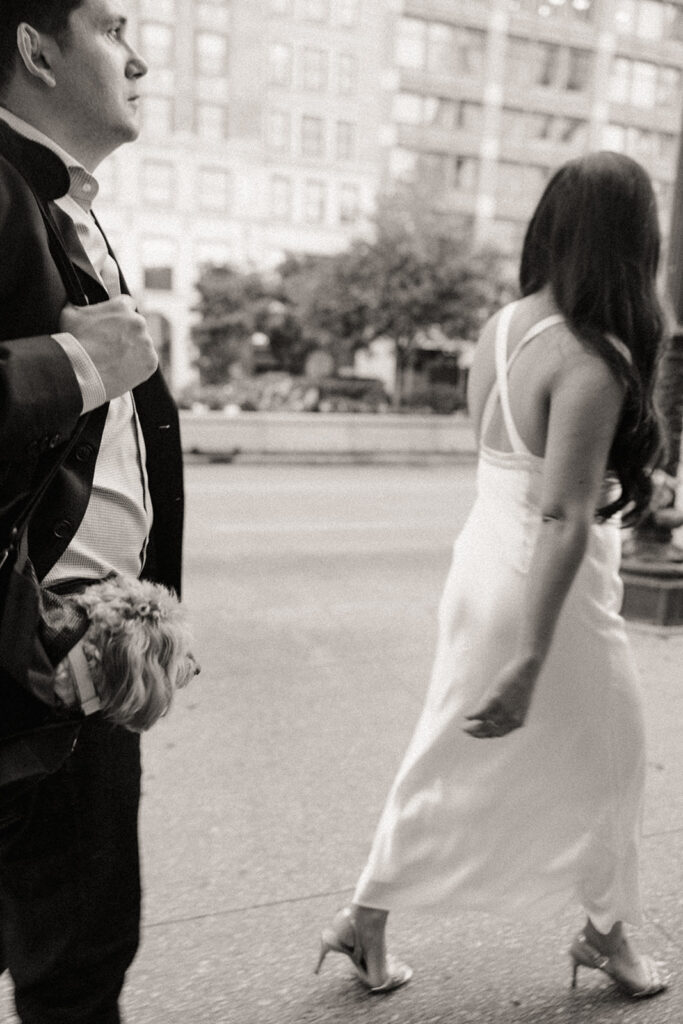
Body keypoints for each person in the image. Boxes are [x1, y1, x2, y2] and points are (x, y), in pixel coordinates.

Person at [315, 151, 669, 1000]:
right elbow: (561, 514)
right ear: (634, 245)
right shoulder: (594, 357)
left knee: (444, 746)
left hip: (480, 562)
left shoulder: (504, 325)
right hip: (546, 588)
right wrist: (530, 660)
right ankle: (605, 940)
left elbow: (518, 466)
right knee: (614, 758)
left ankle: (365, 921)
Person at [0, 2, 184, 1022]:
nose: (140, 56)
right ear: (36, 49)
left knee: (70, 944)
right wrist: (79, 362)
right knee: (74, 963)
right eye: (112, 29)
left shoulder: (56, 194)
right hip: (33, 661)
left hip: (77, 654)